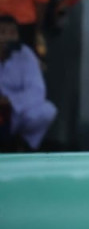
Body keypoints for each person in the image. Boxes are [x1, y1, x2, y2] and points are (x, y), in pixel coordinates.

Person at [0, 14, 56, 151]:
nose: (7, 38)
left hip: (15, 111)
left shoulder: (26, 54)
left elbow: (37, 90)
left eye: (12, 33)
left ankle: (24, 144)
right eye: (2, 32)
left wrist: (10, 101)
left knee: (47, 110)